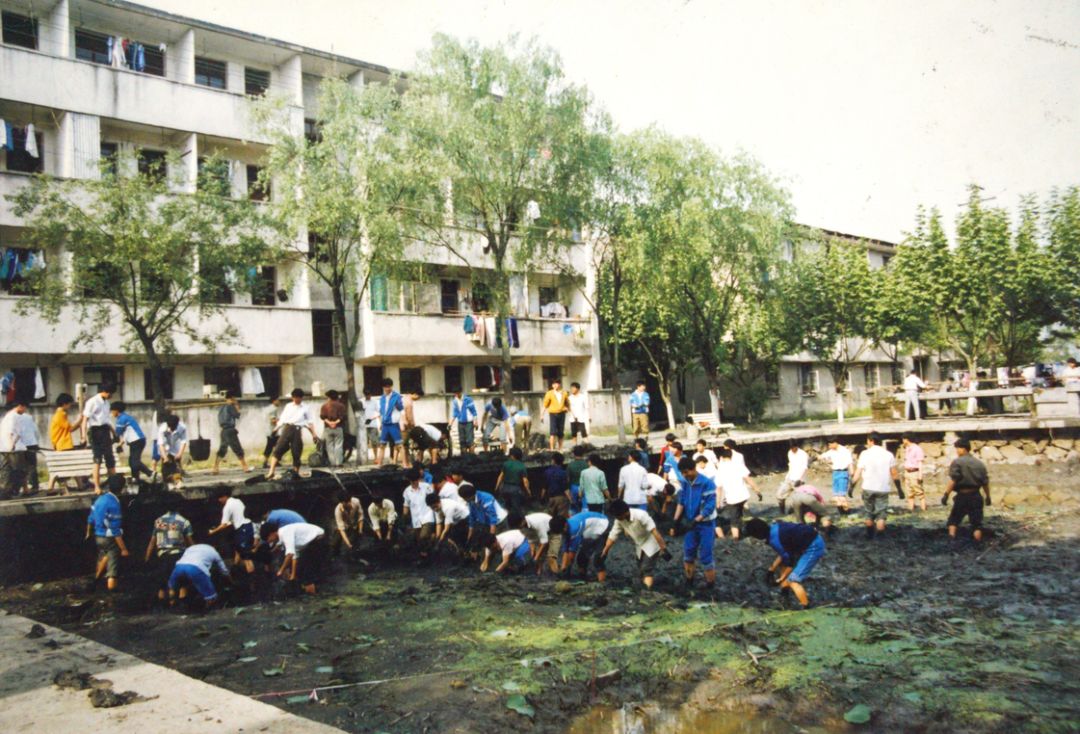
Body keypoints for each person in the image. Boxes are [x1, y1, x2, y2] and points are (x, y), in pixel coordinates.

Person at [745, 518, 825, 609]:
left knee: (793, 580)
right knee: (783, 565)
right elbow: (783, 554)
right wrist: (771, 570)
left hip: (813, 546)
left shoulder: (775, 539)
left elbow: (790, 562)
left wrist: (780, 579)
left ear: (758, 535)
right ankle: (785, 592)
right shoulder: (774, 528)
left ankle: (806, 607)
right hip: (805, 541)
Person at [602, 499, 670, 589]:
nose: (617, 518)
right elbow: (613, 535)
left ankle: (647, 592)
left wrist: (663, 548)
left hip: (651, 541)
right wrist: (605, 551)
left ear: (624, 512)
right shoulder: (619, 520)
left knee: (646, 568)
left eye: (618, 516)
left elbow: (655, 532)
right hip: (639, 543)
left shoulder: (641, 515)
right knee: (640, 567)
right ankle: (644, 586)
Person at [672, 456, 717, 589]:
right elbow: (681, 502)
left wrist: (696, 520)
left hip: (705, 524)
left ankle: (710, 585)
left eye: (686, 472)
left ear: (693, 469)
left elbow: (709, 506)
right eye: (682, 473)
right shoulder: (685, 483)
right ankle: (689, 581)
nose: (685, 475)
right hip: (690, 523)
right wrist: (675, 521)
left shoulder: (707, 483)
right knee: (688, 552)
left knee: (705, 555)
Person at [942, 437, 991, 542]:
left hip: (962, 496)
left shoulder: (957, 462)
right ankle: (977, 543)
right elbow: (985, 483)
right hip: (976, 496)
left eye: (957, 449)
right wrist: (988, 497)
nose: (956, 451)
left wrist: (946, 495)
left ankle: (951, 541)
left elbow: (953, 480)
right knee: (977, 524)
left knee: (953, 520)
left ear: (963, 449)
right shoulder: (979, 464)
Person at [852, 432, 898, 538]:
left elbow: (858, 472)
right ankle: (880, 538)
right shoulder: (888, 454)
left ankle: (869, 535)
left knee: (868, 513)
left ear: (871, 441)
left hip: (868, 487)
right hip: (883, 488)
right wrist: (899, 489)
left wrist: (851, 487)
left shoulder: (864, 454)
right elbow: (894, 473)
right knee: (881, 514)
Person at [86, 475, 128, 591]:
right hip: (108, 537)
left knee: (104, 556)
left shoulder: (99, 499)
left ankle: (95, 580)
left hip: (98, 536)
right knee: (112, 569)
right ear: (122, 488)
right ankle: (111, 592)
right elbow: (115, 530)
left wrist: (88, 532)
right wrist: (123, 548)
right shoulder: (115, 504)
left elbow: (90, 518)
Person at [144, 507, 194, 602]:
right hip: (179, 555)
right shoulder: (184, 521)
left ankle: (162, 606)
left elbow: (152, 541)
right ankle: (181, 604)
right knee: (182, 584)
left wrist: (147, 557)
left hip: (162, 556)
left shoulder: (158, 521)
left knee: (162, 584)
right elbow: (190, 541)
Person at [264, 521, 328, 595]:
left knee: (306, 569)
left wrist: (281, 570)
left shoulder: (285, 533)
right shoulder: (284, 538)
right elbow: (295, 556)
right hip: (312, 542)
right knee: (301, 568)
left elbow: (290, 554)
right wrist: (293, 575)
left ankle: (313, 593)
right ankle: (311, 591)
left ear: (272, 533)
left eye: (269, 539)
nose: (270, 541)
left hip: (318, 539)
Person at [266, 388, 317, 480]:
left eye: (298, 398)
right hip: (287, 428)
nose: (296, 400)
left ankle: (296, 473)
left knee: (296, 451)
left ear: (301, 398)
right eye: (294, 398)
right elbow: (282, 419)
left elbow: (310, 422)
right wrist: (276, 429)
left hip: (297, 429)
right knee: (278, 448)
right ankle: (271, 471)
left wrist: (314, 434)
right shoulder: (289, 406)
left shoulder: (305, 407)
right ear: (292, 397)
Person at [208, 487, 255, 574]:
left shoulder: (227, 507)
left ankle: (251, 578)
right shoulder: (238, 501)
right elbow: (234, 519)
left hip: (242, 529)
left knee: (247, 559)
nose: (219, 500)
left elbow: (224, 524)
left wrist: (213, 532)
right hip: (248, 526)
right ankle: (236, 570)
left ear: (225, 496)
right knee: (239, 551)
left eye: (220, 497)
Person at [167, 543, 230, 608]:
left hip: (179, 567)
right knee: (211, 596)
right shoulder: (214, 553)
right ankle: (210, 608)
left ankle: (173, 605)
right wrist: (230, 580)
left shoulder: (191, 548)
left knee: (173, 587)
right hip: (196, 568)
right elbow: (224, 571)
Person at [559, 509, 610, 581]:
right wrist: (563, 567)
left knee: (598, 559)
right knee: (581, 558)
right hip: (590, 530)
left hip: (602, 526)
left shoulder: (574, 528)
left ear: (564, 526)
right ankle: (583, 578)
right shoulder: (566, 529)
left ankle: (602, 583)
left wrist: (567, 570)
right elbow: (566, 549)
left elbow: (572, 553)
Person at [460, 482, 508, 559]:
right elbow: (472, 517)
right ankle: (488, 558)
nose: (463, 500)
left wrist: (491, 536)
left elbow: (493, 517)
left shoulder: (486, 498)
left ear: (469, 496)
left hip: (499, 521)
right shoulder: (470, 501)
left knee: (499, 542)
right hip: (486, 522)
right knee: (487, 542)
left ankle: (503, 559)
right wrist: (469, 537)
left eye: (464, 498)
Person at [82, 383, 116, 492]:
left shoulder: (107, 403)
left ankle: (114, 485)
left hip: (105, 431)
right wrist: (84, 436)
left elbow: (107, 421)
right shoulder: (92, 402)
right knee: (97, 460)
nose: (111, 396)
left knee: (110, 459)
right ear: (106, 391)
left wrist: (114, 434)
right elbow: (84, 420)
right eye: (111, 393)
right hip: (95, 431)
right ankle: (97, 486)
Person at [715, 447, 753, 540]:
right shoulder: (738, 464)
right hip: (743, 496)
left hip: (732, 498)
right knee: (738, 514)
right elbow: (747, 478)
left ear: (722, 457)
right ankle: (740, 531)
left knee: (734, 518)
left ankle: (736, 537)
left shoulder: (721, 469)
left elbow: (719, 487)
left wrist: (718, 501)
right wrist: (756, 489)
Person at [47, 394, 82, 494]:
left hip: (62, 444)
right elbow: (70, 428)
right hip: (63, 444)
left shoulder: (60, 414)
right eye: (69, 404)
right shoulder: (60, 414)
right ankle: (51, 487)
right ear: (64, 404)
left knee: (70, 466)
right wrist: (80, 420)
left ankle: (80, 485)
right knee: (65, 467)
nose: (70, 406)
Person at [111, 401, 152, 483]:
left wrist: (110, 442)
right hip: (138, 441)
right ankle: (135, 478)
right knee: (132, 461)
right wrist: (120, 444)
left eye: (112, 411)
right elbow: (126, 434)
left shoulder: (121, 419)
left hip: (136, 441)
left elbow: (117, 434)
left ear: (116, 411)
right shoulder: (126, 417)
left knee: (135, 462)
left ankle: (150, 473)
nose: (111, 413)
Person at [213, 391, 251, 474]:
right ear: (231, 399)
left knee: (222, 449)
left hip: (223, 431)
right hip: (230, 430)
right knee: (237, 448)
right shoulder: (230, 407)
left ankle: (215, 468)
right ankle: (245, 467)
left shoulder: (221, 408)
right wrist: (237, 405)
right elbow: (237, 415)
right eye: (233, 399)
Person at [402, 467, 436, 555]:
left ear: (418, 479)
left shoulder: (426, 487)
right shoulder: (407, 491)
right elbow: (406, 505)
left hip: (428, 516)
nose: (414, 482)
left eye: (415, 480)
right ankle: (426, 555)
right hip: (416, 519)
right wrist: (405, 516)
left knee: (423, 536)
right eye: (411, 481)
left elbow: (433, 499)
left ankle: (424, 554)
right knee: (418, 540)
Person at [819, 438, 854, 513]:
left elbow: (850, 463)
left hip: (843, 473)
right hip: (835, 473)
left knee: (841, 496)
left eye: (830, 444)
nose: (829, 446)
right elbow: (822, 456)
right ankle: (841, 513)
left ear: (835, 443)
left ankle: (847, 512)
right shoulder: (831, 451)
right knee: (836, 496)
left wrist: (852, 474)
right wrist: (819, 458)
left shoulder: (844, 451)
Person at [375, 379, 405, 466]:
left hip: (393, 424)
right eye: (386, 387)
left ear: (391, 386)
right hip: (385, 424)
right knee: (382, 445)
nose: (388, 388)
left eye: (389, 386)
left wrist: (402, 422)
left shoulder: (397, 396)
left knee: (399, 444)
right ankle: (379, 464)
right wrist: (380, 423)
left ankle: (404, 464)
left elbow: (401, 409)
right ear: (383, 387)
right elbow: (381, 411)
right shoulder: (382, 398)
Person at [494, 446, 531, 515]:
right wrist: (528, 491)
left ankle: (506, 520)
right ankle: (516, 521)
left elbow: (500, 477)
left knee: (505, 506)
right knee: (516, 507)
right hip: (515, 489)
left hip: (505, 488)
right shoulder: (521, 466)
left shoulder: (506, 464)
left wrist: (496, 487)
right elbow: (525, 481)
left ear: (512, 456)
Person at [156, 414, 189, 490]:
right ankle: (168, 484)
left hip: (175, 448)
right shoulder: (162, 429)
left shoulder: (182, 428)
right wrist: (165, 457)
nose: (171, 429)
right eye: (169, 427)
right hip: (165, 448)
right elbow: (161, 444)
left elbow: (183, 441)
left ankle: (178, 482)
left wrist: (180, 453)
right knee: (166, 467)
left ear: (177, 425)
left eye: (173, 427)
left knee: (176, 466)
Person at [776, 441, 809, 513]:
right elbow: (790, 465)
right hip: (790, 478)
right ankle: (782, 512)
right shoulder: (790, 453)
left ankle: (792, 512)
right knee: (779, 495)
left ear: (796, 446)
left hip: (799, 480)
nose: (792, 449)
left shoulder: (803, 454)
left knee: (796, 499)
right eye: (791, 448)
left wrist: (800, 479)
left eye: (793, 448)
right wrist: (787, 477)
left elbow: (804, 468)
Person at [320, 390, 348, 468]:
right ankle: (338, 463)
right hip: (338, 428)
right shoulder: (341, 406)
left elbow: (323, 417)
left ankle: (332, 463)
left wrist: (330, 423)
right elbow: (343, 417)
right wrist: (335, 422)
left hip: (328, 428)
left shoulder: (324, 406)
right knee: (338, 445)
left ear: (329, 397)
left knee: (329, 445)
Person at [331, 490, 364, 557]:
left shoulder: (356, 501)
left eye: (349, 501)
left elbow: (361, 515)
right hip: (345, 525)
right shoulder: (337, 511)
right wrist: (348, 544)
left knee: (356, 538)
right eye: (346, 502)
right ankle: (335, 556)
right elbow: (341, 529)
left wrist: (360, 530)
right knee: (335, 542)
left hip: (355, 523)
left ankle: (356, 552)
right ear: (341, 503)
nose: (349, 503)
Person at [541, 379, 570, 451]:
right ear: (552, 385)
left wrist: (568, 409)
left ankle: (560, 448)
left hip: (562, 413)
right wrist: (541, 415)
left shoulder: (564, 393)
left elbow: (568, 403)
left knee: (561, 432)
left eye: (556, 384)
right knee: (552, 432)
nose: (555, 385)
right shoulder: (549, 393)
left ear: (559, 384)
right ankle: (552, 448)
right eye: (553, 384)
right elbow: (545, 405)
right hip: (553, 414)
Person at [901, 434, 927, 511]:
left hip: (914, 472)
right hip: (907, 472)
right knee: (909, 493)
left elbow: (920, 462)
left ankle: (923, 508)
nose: (902, 441)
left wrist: (920, 475)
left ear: (907, 439)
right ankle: (910, 509)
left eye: (903, 439)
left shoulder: (917, 449)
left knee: (919, 492)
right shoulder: (907, 449)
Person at [449, 388, 479, 455]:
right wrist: (450, 424)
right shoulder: (455, 401)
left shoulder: (468, 399)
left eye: (457, 393)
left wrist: (476, 421)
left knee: (469, 440)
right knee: (462, 441)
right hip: (460, 423)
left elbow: (474, 411)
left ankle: (472, 456)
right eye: (455, 394)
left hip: (469, 422)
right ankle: (464, 457)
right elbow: (455, 413)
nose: (456, 395)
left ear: (460, 392)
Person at [566, 445, 589, 513]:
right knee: (585, 507)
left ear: (574, 454)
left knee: (573, 507)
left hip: (573, 487)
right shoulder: (586, 464)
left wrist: (568, 489)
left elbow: (568, 479)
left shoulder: (570, 465)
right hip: (585, 487)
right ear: (583, 454)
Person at [360, 389, 380, 462]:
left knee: (374, 442)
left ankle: (376, 457)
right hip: (363, 424)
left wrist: (372, 418)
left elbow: (379, 412)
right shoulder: (361, 401)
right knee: (363, 442)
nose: (368, 396)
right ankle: (364, 458)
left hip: (372, 423)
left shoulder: (374, 401)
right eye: (366, 395)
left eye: (369, 394)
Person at [261, 396, 281, 469]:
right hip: (272, 431)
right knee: (270, 447)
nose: (279, 402)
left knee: (277, 446)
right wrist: (281, 422)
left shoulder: (268, 408)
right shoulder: (273, 409)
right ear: (274, 401)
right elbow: (273, 421)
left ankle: (276, 461)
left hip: (269, 430)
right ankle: (265, 462)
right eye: (278, 400)